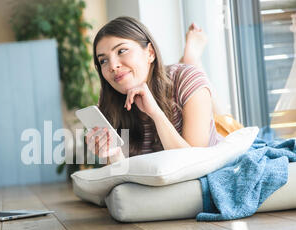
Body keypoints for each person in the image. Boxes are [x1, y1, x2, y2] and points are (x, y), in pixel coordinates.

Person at [85, 16, 225, 164]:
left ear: (150, 53)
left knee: (224, 121)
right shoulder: (109, 99)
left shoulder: (187, 79)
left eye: (122, 51)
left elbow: (194, 165)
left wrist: (155, 113)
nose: (112, 66)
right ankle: (189, 59)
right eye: (103, 60)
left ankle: (191, 58)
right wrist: (112, 153)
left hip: (218, 138)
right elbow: (125, 173)